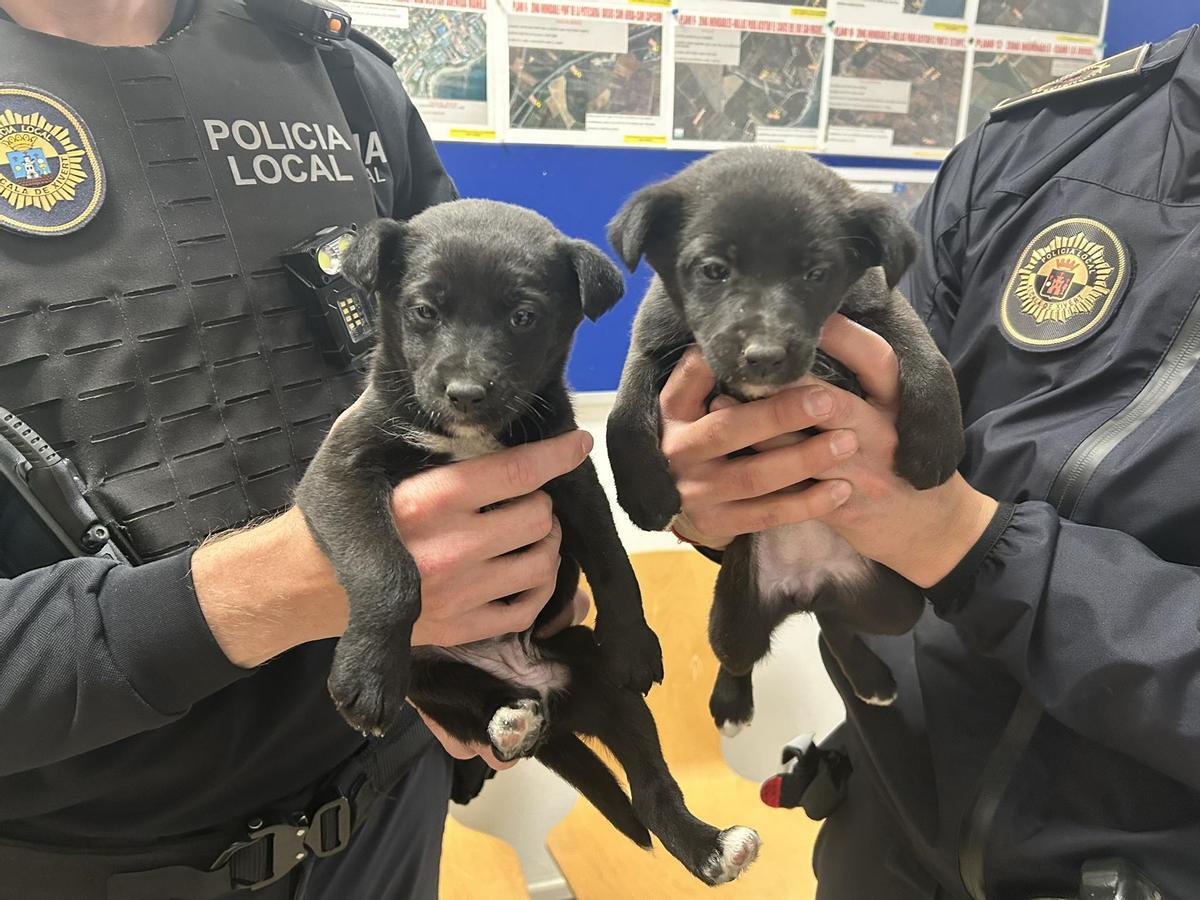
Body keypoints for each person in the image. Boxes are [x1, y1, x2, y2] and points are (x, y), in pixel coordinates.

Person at [0, 2, 587, 897]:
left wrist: (528, 571)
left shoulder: (337, 70)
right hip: (93, 858)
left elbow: (495, 367)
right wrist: (281, 590)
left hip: (387, 807)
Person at [661, 25, 1200, 900]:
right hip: (884, 830)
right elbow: (857, 408)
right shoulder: (1041, 140)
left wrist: (969, 542)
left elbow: (919, 512)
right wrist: (720, 487)